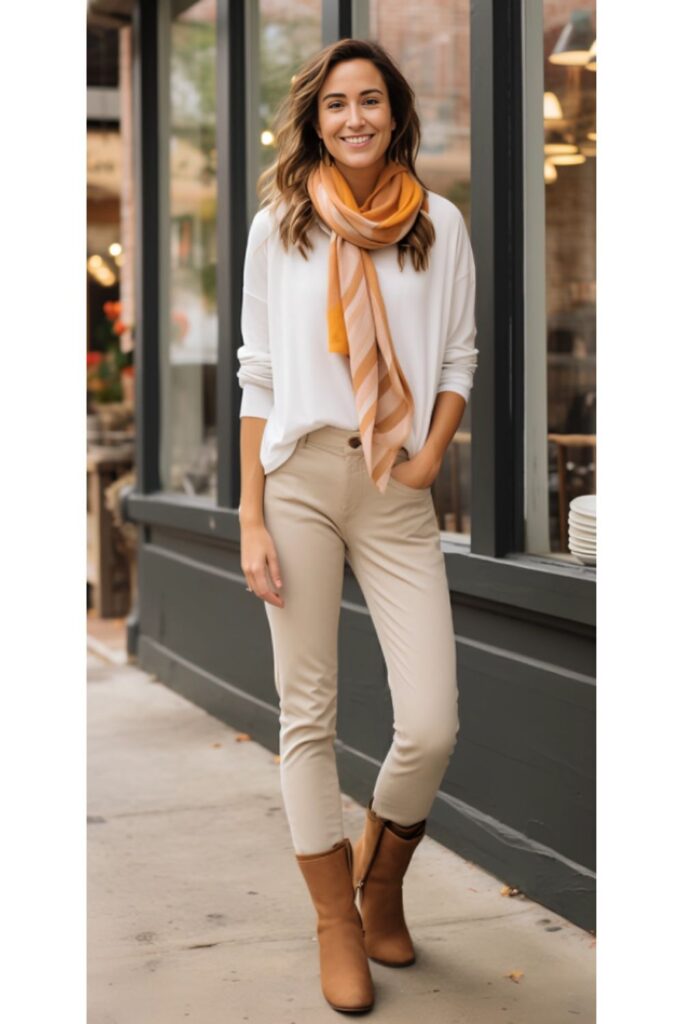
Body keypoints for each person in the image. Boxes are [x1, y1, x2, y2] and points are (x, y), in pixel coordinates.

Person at [237, 37, 478, 1015]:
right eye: (334, 103)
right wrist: (249, 511)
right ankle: (337, 920)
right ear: (313, 118)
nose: (351, 119)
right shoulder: (277, 230)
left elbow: (456, 358)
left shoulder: (440, 227)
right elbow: (256, 372)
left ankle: (380, 880)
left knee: (429, 721)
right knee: (309, 713)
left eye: (368, 100)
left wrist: (431, 455)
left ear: (394, 113)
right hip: (296, 475)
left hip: (393, 482)